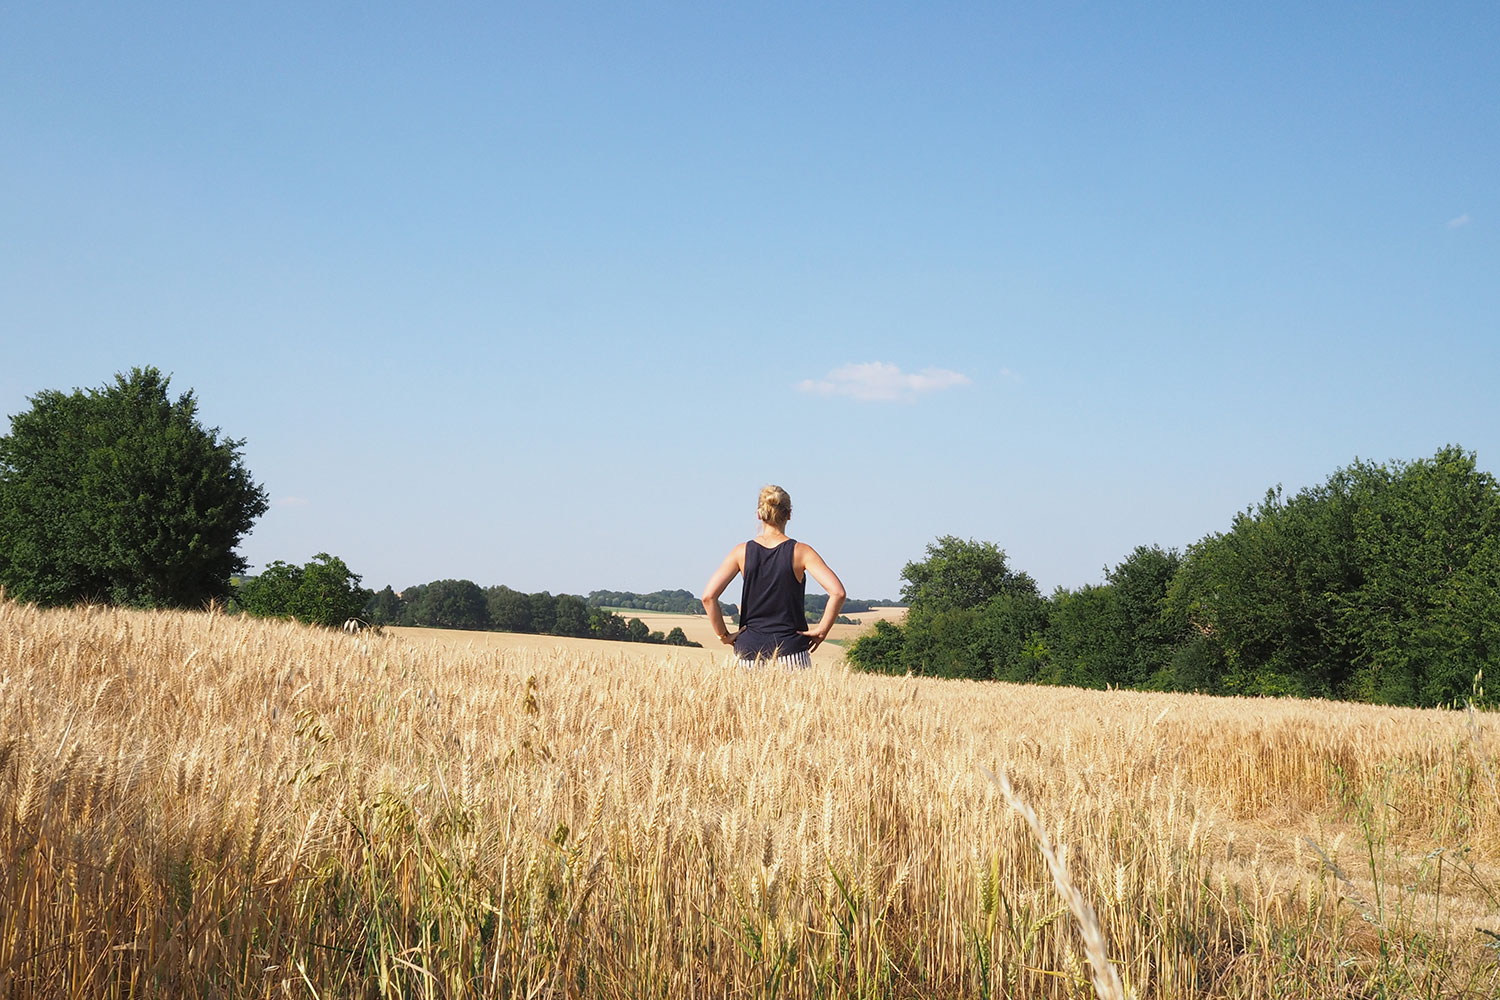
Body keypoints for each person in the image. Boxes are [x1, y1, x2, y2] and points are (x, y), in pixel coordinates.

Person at [701, 484, 847, 668]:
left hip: (748, 653)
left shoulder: (741, 552)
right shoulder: (801, 552)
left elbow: (708, 597)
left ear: (759, 514)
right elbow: (838, 593)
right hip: (792, 651)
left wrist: (724, 636)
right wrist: (822, 631)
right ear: (789, 514)